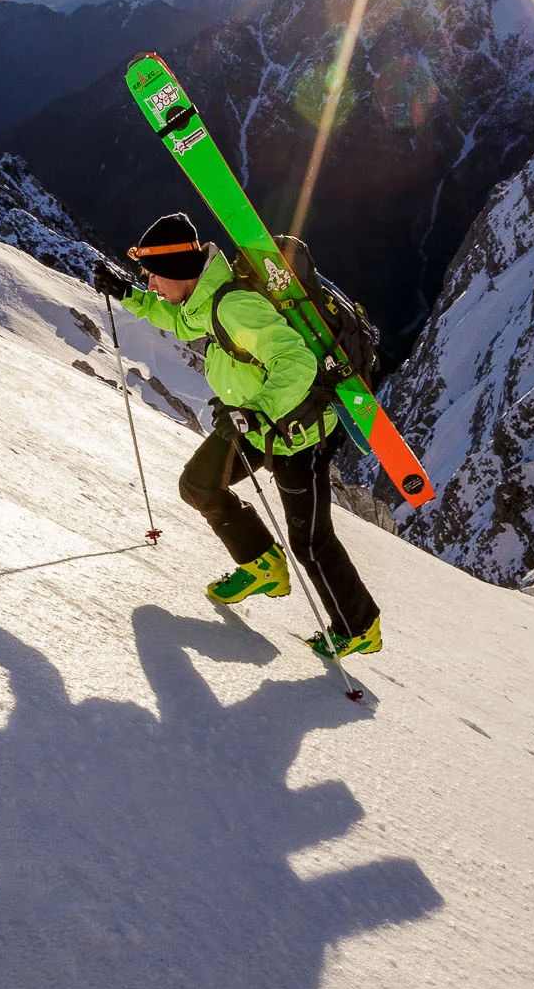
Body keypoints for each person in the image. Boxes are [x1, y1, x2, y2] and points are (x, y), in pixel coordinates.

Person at [95, 213, 381, 660]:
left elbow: (297, 362)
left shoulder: (233, 306)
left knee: (309, 540)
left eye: (151, 275)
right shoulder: (205, 299)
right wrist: (130, 297)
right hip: (254, 420)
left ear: (177, 270)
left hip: (297, 432)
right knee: (199, 485)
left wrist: (258, 413)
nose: (149, 283)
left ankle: (358, 626)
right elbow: (182, 321)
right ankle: (261, 563)